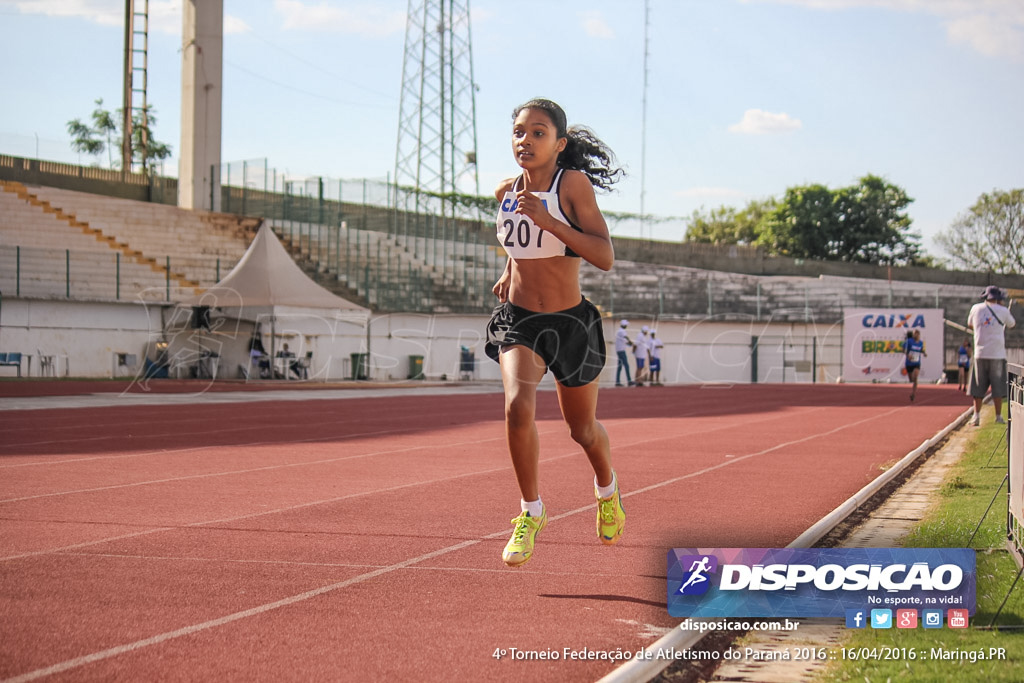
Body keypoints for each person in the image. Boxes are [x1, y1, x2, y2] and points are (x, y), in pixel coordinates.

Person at [485, 98, 626, 567]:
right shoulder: (506, 190)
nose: (526, 141)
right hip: (521, 319)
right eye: (519, 132)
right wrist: (510, 268)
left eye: (538, 133)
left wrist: (551, 222)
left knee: (581, 430)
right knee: (516, 407)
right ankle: (531, 512)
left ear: (559, 143)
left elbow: (604, 255)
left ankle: (606, 489)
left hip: (570, 324)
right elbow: (518, 240)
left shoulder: (573, 186)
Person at [966, 285, 1017, 426]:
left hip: (980, 353)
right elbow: (1012, 324)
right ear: (998, 298)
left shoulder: (976, 308)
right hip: (997, 354)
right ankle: (999, 416)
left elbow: (970, 324)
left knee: (978, 387)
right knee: (998, 387)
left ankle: (976, 416)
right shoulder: (1003, 310)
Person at [904, 329, 926, 401]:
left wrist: (924, 353)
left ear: (918, 335)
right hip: (909, 363)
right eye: (914, 334)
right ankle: (913, 384)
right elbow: (903, 349)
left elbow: (921, 349)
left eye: (916, 334)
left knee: (915, 377)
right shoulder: (909, 341)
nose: (915, 335)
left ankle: (913, 394)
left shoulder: (921, 343)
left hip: (916, 363)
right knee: (911, 379)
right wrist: (908, 355)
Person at [614, 319, 634, 387]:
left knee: (620, 366)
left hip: (619, 350)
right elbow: (626, 337)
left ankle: (617, 381)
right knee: (626, 365)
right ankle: (629, 381)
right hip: (621, 351)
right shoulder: (621, 331)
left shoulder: (620, 331)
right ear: (624, 325)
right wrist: (631, 342)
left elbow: (624, 341)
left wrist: (629, 343)